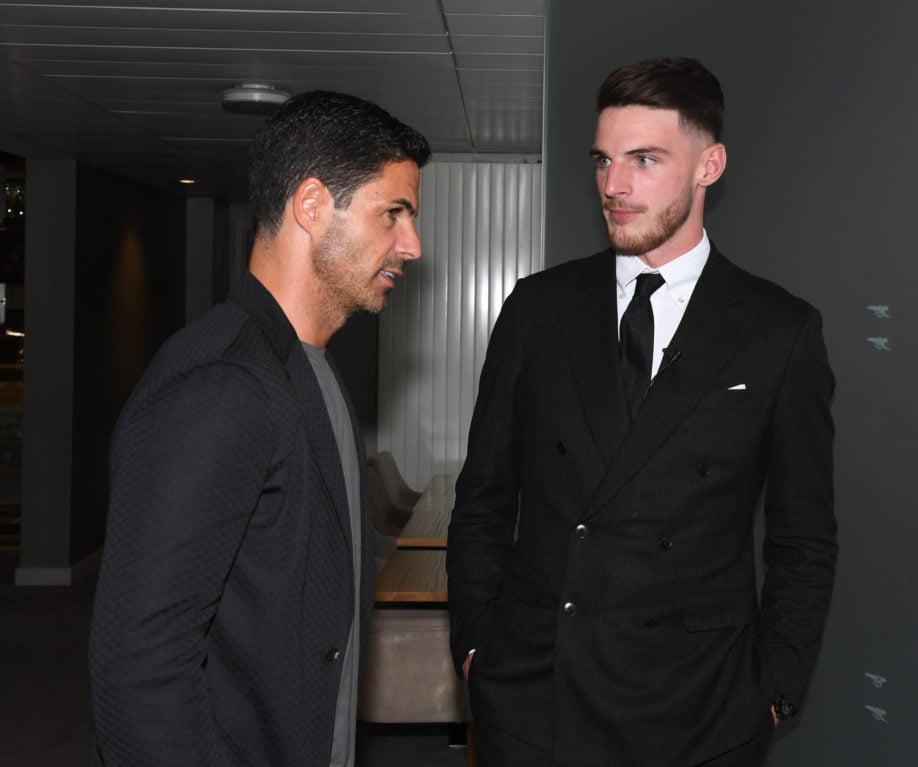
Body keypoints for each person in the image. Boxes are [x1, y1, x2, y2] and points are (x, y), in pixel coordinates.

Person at [446, 57, 836, 766]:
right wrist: (477, 647)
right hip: (538, 697)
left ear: (708, 165)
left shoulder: (779, 331)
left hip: (702, 708)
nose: (613, 186)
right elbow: (483, 498)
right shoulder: (538, 310)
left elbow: (803, 539)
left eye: (644, 160)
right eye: (602, 161)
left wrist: (775, 684)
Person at [88, 90, 430, 766]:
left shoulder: (311, 365)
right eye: (393, 213)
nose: (412, 245)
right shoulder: (222, 386)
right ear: (311, 206)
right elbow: (139, 666)